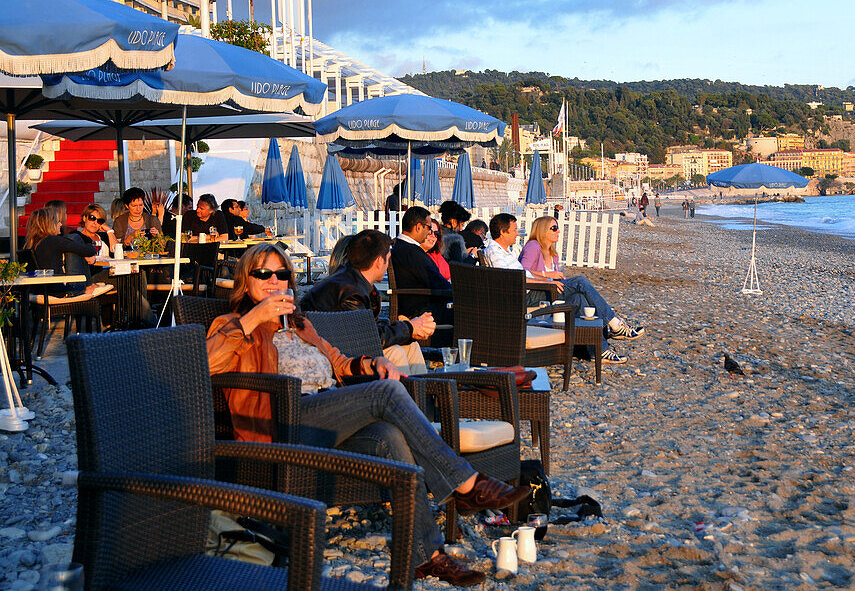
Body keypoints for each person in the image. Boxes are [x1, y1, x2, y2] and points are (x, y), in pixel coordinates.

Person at [206, 243, 528, 585]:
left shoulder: (301, 325)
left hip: (326, 415)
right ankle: (465, 484)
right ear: (246, 280)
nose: (273, 280)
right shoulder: (230, 324)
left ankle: (427, 556)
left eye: (281, 273)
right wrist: (255, 318)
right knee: (388, 392)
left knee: (390, 438)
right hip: (280, 425)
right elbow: (205, 364)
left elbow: (340, 363)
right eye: (262, 274)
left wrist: (373, 362)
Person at [300, 230, 434, 374]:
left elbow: (366, 327)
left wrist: (411, 328)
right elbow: (366, 337)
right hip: (332, 354)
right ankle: (400, 394)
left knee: (411, 346)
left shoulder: (352, 280)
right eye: (388, 259)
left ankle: (420, 392)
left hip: (345, 344)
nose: (388, 264)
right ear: (379, 261)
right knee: (395, 352)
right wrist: (409, 327)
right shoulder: (351, 291)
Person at [520, 215, 644, 362]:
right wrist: (547, 275)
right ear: (542, 231)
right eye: (554, 228)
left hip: (550, 293)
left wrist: (554, 279)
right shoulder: (533, 246)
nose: (558, 231)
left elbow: (555, 280)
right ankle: (615, 324)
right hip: (533, 295)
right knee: (580, 281)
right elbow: (521, 273)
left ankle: (599, 351)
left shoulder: (553, 254)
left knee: (579, 299)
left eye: (558, 227)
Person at [388, 207, 452, 330]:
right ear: (418, 227)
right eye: (428, 228)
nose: (429, 233)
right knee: (471, 312)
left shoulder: (400, 247)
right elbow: (439, 285)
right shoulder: (412, 252)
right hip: (422, 312)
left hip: (413, 307)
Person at [25, 208, 99, 297]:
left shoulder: (32, 243)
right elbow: (89, 251)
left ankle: (89, 285)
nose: (60, 224)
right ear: (49, 225)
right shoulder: (53, 240)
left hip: (39, 290)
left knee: (72, 243)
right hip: (57, 291)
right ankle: (88, 286)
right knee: (74, 237)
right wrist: (90, 244)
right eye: (57, 222)